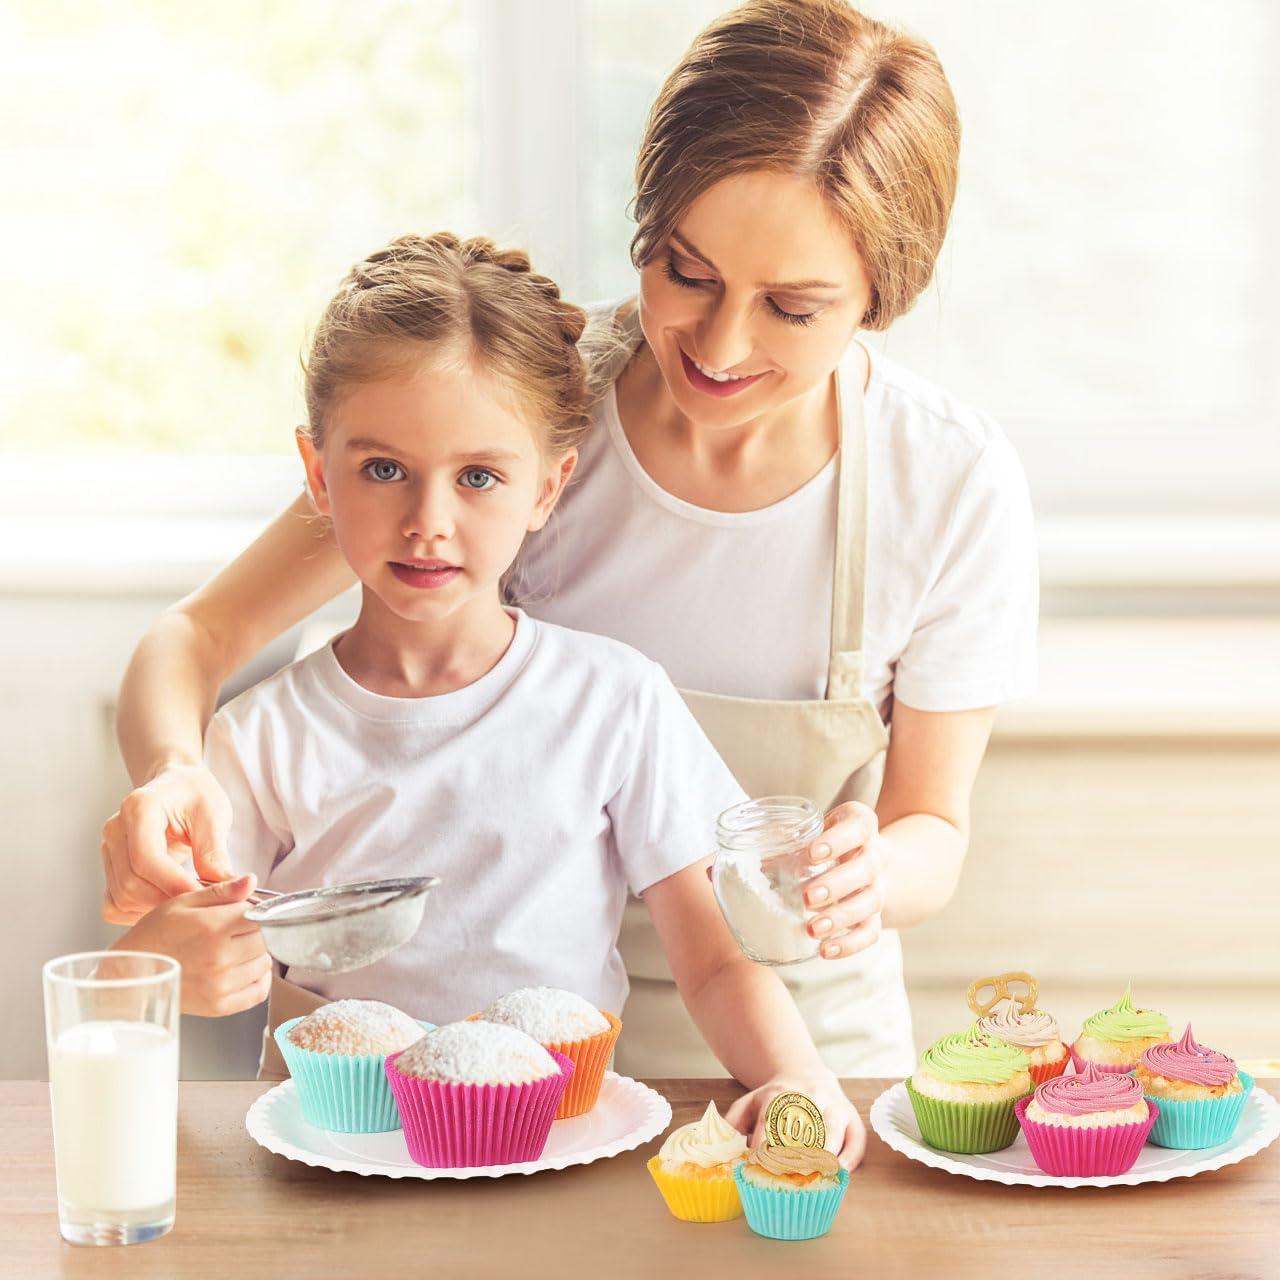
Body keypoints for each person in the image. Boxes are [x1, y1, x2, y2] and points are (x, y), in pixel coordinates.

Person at [101, 0, 1037, 1078]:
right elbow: (199, 635)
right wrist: (173, 774)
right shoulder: (510, 414)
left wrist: (871, 871)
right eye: (686, 272)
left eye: (790, 306)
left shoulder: (946, 480)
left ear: (881, 293)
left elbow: (931, 823)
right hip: (500, 1051)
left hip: (797, 1040)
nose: (720, 343)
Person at [109, 232, 865, 1162]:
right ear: (318, 473)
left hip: (565, 1154)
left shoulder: (614, 701)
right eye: (383, 470)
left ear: (548, 488)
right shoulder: (260, 739)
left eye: (479, 478)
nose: (429, 520)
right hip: (340, 1170)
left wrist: (799, 1075)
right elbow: (164, 950)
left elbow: (711, 959)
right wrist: (150, 971)